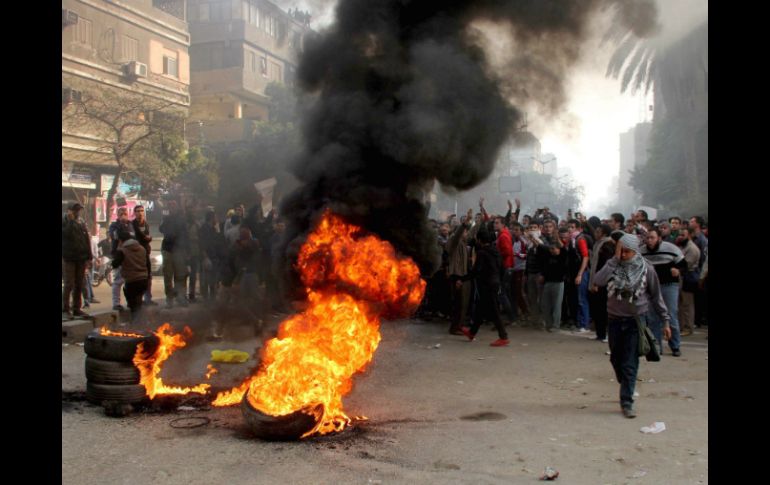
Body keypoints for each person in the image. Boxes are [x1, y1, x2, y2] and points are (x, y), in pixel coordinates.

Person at [594, 232, 671, 418]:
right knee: (616, 358)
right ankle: (625, 383)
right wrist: (614, 260)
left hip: (635, 321)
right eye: (621, 251)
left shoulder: (647, 269)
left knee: (630, 362)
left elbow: (656, 296)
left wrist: (665, 320)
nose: (623, 255)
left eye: (627, 252)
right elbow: (597, 281)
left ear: (636, 251)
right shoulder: (613, 265)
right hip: (614, 320)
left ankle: (627, 401)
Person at [459, 227, 509, 347]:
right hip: (495, 283)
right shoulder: (495, 251)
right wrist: (499, 281)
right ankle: (472, 332)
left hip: (487, 285)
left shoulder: (482, 253)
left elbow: (476, 270)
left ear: (479, 240)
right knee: (480, 310)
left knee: (494, 311)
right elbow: (502, 268)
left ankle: (503, 337)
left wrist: (463, 279)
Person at [640, 228, 686, 356]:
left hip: (669, 285)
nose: (649, 241)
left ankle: (675, 345)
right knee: (653, 317)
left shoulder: (671, 248)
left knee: (670, 315)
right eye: (647, 238)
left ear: (659, 238)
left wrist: (678, 270)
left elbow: (684, 264)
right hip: (651, 287)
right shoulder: (642, 251)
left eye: (652, 238)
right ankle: (656, 346)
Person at [62, 203, 93, 319]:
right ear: (70, 211)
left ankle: (76, 309)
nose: (78, 213)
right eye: (75, 211)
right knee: (69, 284)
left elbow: (86, 240)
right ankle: (65, 309)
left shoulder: (81, 223)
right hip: (69, 258)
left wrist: (89, 256)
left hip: (81, 258)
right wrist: (70, 221)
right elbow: (66, 234)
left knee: (79, 284)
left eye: (79, 211)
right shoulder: (65, 221)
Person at [111, 230, 149, 324]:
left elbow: (115, 264)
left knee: (133, 305)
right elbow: (147, 264)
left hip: (132, 281)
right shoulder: (142, 248)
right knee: (138, 303)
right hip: (144, 280)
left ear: (120, 240)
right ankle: (140, 323)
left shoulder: (123, 250)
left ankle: (136, 325)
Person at [536, 219, 567, 332]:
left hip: (558, 282)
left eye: (554, 249)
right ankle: (548, 324)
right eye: (551, 248)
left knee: (556, 306)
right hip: (548, 282)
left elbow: (562, 246)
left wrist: (556, 235)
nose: (552, 250)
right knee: (545, 304)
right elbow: (539, 246)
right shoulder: (548, 255)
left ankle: (555, 325)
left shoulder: (563, 255)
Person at [159, 201, 189, 308]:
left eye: (174, 206)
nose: (172, 208)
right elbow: (161, 229)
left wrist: (186, 251)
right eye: (170, 206)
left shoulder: (182, 219)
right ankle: (169, 298)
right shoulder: (166, 218)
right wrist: (165, 219)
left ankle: (181, 297)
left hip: (179, 250)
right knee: (168, 275)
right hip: (167, 249)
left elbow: (186, 234)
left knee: (180, 275)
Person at [588, 223, 615, 343]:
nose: (595, 233)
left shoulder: (607, 245)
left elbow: (605, 266)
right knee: (596, 308)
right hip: (595, 280)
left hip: (603, 283)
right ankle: (599, 333)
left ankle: (604, 334)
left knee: (602, 309)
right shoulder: (597, 244)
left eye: (598, 231)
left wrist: (598, 282)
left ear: (604, 233)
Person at [108, 207, 135, 311]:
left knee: (130, 280)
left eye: (125, 212)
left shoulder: (131, 224)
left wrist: (125, 234)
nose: (124, 214)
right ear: (118, 215)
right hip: (119, 255)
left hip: (130, 255)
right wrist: (121, 225)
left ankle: (131, 302)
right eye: (121, 213)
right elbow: (115, 236)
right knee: (118, 280)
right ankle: (116, 303)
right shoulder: (114, 225)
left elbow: (133, 237)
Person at [676, 227, 701, 337]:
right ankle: (682, 326)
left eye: (683, 235)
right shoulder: (683, 246)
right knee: (681, 304)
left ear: (689, 235)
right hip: (682, 278)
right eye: (679, 235)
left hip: (688, 277)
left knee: (687, 304)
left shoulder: (692, 248)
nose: (680, 237)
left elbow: (686, 265)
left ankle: (688, 327)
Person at [131, 205, 155, 306]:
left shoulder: (146, 224)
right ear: (134, 213)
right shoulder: (132, 224)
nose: (140, 213)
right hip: (136, 255)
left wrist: (147, 238)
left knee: (148, 277)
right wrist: (146, 238)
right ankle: (137, 299)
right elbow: (141, 237)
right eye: (138, 211)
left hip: (145, 253)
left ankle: (148, 298)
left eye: (141, 211)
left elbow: (148, 238)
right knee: (137, 277)